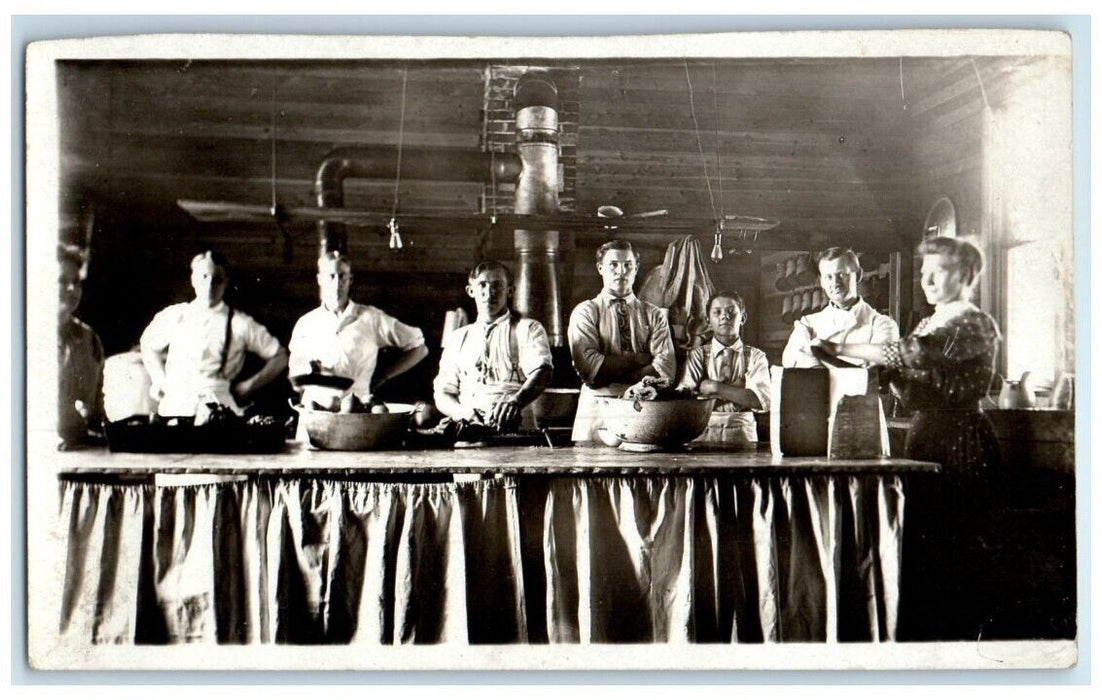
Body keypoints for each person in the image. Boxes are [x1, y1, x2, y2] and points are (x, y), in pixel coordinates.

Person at [811, 236, 1002, 640]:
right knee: (923, 545)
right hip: (926, 434)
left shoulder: (973, 322)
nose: (928, 279)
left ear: (966, 276)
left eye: (941, 270)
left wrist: (843, 346)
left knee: (956, 544)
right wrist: (860, 365)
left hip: (961, 438)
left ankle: (966, 648)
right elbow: (908, 381)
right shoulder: (932, 320)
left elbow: (912, 353)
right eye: (924, 271)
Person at [140, 251, 288, 417]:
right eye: (204, 276)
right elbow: (148, 346)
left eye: (216, 279)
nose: (209, 285)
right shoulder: (176, 315)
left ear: (225, 282)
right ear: (193, 280)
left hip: (218, 403)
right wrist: (161, 381)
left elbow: (280, 356)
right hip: (177, 403)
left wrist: (249, 385)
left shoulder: (239, 323)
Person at [567, 239, 676, 442]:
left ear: (636, 268)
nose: (621, 271)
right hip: (597, 411)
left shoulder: (654, 315)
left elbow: (665, 370)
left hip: (642, 407)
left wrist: (613, 366)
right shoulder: (586, 311)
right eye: (613, 265)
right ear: (600, 268)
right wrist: (640, 359)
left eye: (628, 265)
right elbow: (591, 371)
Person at [288, 251, 428, 407]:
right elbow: (295, 375)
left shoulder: (371, 318)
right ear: (320, 280)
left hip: (357, 411)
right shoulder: (306, 323)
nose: (336, 284)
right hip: (314, 411)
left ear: (350, 280)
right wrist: (308, 370)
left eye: (342, 276)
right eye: (331, 276)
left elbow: (420, 348)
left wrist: (383, 377)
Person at [433, 261, 553, 432]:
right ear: (471, 291)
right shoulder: (457, 338)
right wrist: (463, 412)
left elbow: (543, 373)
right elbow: (443, 393)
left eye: (497, 285)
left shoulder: (528, 329)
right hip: (470, 430)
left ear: (510, 291)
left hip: (517, 430)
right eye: (482, 285)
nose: (489, 293)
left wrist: (515, 401)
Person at [676, 291, 770, 444]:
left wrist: (714, 387)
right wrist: (740, 391)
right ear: (708, 320)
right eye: (717, 312)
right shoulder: (698, 355)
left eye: (731, 311)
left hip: (742, 432)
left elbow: (760, 401)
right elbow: (685, 400)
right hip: (703, 431)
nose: (724, 316)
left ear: (743, 318)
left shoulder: (756, 356)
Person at [782, 247, 899, 368]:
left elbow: (877, 373)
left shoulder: (882, 325)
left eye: (842, 275)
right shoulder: (807, 324)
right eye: (829, 277)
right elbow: (791, 359)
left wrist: (820, 366)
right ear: (822, 282)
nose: (835, 283)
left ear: (858, 275)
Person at [57, 245, 104, 446]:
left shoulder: (88, 338)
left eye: (76, 282)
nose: (72, 289)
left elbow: (95, 408)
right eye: (62, 281)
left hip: (82, 451)